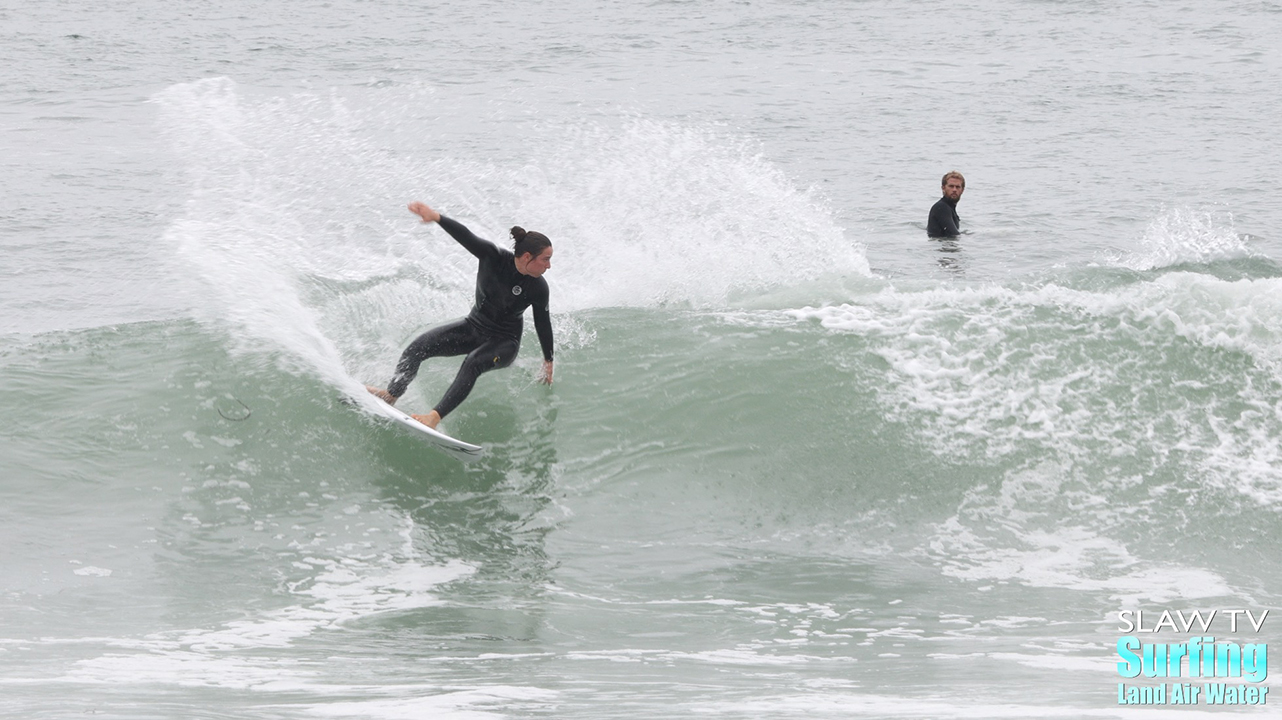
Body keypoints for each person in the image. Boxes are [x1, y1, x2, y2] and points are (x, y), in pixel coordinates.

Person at [367, 201, 554, 430]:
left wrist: (548, 360)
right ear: (527, 257)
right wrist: (436, 217)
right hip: (472, 328)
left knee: (473, 362)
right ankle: (391, 395)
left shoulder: (538, 288)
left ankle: (433, 418)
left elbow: (542, 322)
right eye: (545, 259)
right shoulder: (493, 257)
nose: (549, 265)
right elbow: (466, 236)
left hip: (504, 342)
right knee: (417, 347)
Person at [927, 171, 965, 238]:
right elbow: (954, 234)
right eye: (951, 186)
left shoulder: (949, 208)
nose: (954, 190)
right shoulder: (941, 207)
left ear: (962, 190)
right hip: (939, 246)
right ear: (943, 188)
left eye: (957, 187)